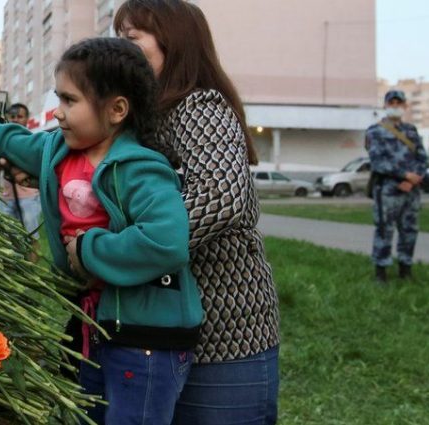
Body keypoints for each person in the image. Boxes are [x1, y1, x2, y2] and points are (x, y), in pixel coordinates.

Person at [0, 37, 202, 425]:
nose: (58, 113)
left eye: (70, 101)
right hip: (96, 325)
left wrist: (87, 249)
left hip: (147, 338)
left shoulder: (139, 168)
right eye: (58, 98)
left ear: (116, 110)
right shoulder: (59, 152)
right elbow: (0, 138)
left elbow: (166, 242)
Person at [114, 1, 280, 423]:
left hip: (226, 333)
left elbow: (221, 195)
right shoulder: (146, 121)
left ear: (174, 41)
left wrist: (122, 252)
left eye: (131, 39)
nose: (119, 49)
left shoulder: (197, 106)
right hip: (162, 333)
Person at [366, 89, 428, 283]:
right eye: (391, 103)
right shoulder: (375, 131)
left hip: (411, 190)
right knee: (385, 229)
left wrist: (413, 178)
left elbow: (422, 157)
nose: (395, 107)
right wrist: (404, 175)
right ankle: (381, 271)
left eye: (398, 103)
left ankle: (405, 268)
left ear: (405, 106)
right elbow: (377, 161)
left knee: (410, 229)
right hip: (387, 189)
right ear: (385, 105)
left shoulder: (411, 130)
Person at [0, 103, 42, 238]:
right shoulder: (2, 139)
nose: (16, 119)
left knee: (31, 236)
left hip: (28, 196)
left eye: (20, 116)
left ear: (27, 119)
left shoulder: (33, 140)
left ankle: (31, 259)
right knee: (6, 236)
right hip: (5, 195)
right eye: (12, 116)